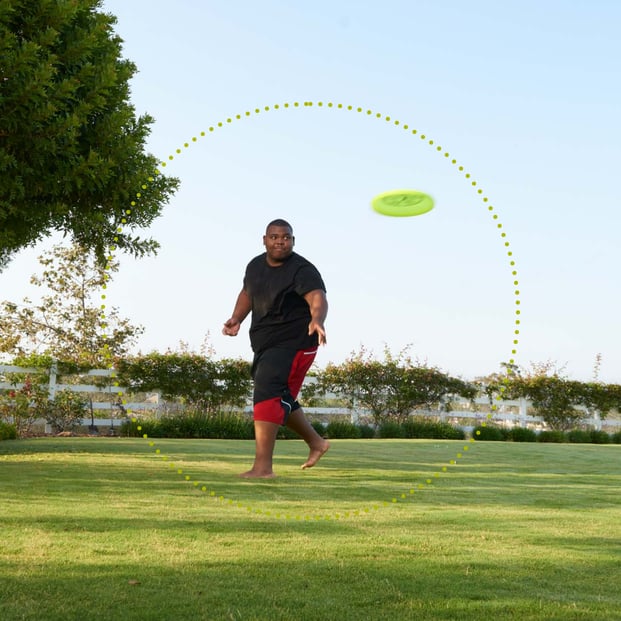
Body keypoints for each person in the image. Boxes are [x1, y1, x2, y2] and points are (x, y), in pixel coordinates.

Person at [222, 219, 330, 478]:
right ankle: (317, 442)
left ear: (293, 240)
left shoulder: (302, 269)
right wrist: (237, 317)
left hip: (297, 341)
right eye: (274, 237)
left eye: (286, 237)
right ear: (264, 239)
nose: (280, 241)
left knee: (268, 391)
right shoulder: (255, 266)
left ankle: (262, 468)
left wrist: (318, 320)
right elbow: (248, 292)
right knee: (277, 395)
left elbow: (317, 297)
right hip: (265, 343)